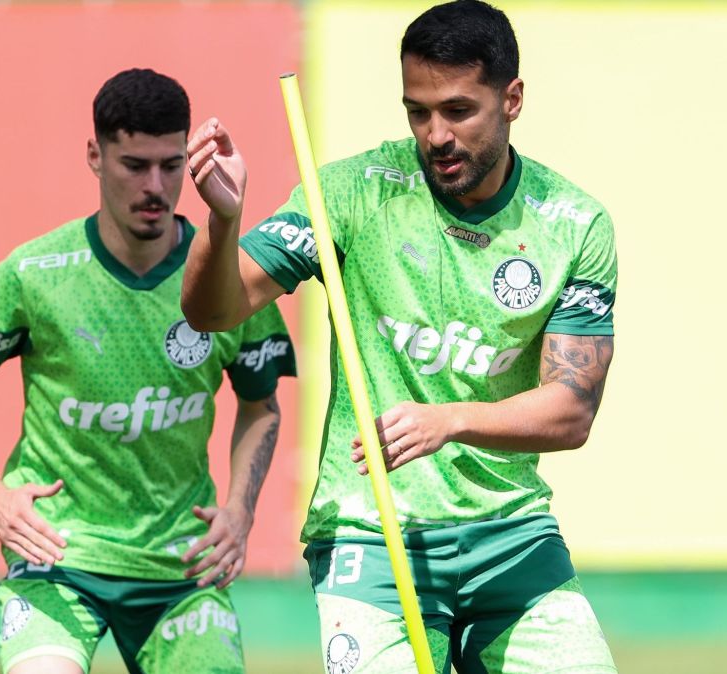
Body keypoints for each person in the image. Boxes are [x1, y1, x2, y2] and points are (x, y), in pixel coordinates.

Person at [181, 1, 619, 672]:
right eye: (418, 111)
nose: (435, 134)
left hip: (513, 538)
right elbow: (216, 311)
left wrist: (449, 421)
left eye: (458, 110)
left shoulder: (574, 224)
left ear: (513, 99)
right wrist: (223, 222)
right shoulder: (353, 192)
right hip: (371, 535)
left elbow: (571, 411)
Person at [0, 68, 295, 674]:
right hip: (58, 558)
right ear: (95, 156)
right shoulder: (34, 273)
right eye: (134, 165)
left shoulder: (225, 278)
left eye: (171, 166)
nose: (155, 186)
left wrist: (241, 509)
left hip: (181, 569)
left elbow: (261, 405)